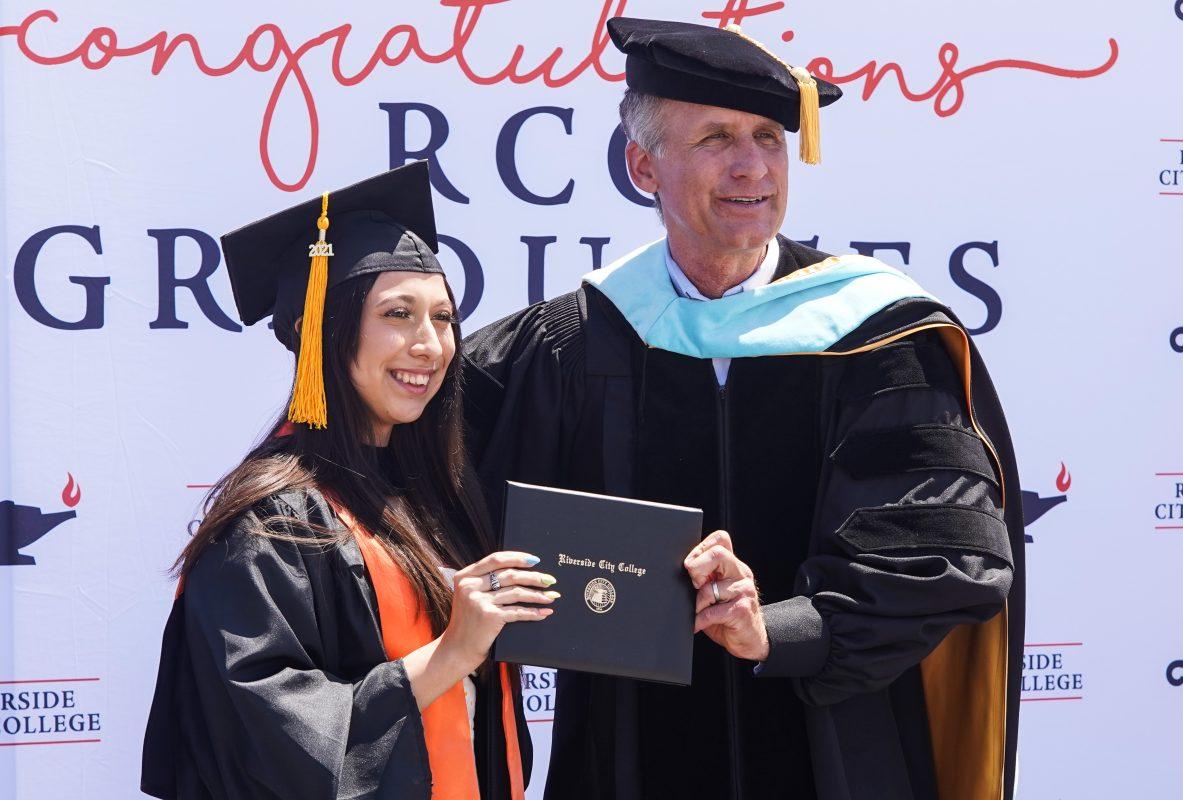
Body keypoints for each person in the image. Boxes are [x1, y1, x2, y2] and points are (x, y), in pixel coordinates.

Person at [463, 17, 1025, 800]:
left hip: (838, 755)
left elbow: (947, 558)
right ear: (642, 166)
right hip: (625, 758)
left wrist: (782, 629)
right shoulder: (571, 345)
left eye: (768, 137)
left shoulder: (878, 339)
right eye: (717, 138)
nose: (751, 166)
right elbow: (430, 501)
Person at [141, 163, 557, 800]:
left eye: (443, 318)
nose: (431, 345)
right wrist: (450, 653)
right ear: (328, 334)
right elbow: (264, 739)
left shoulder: (436, 497)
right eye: (398, 314)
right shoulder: (271, 523)